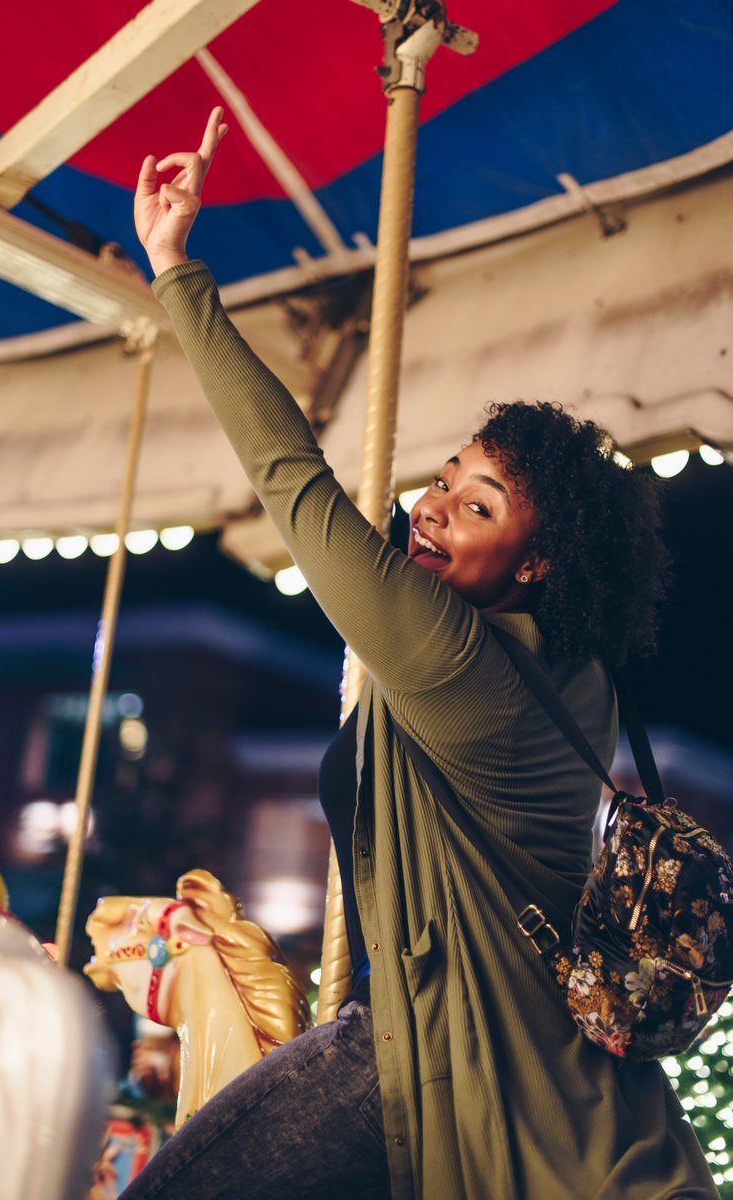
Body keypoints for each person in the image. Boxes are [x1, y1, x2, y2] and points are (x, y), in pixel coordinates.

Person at [121, 108, 718, 1199]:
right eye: (443, 478)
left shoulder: (458, 663)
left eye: (476, 505)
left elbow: (291, 480)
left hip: (438, 1063)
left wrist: (177, 272)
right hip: (512, 1072)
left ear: (537, 565)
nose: (432, 508)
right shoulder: (570, 674)